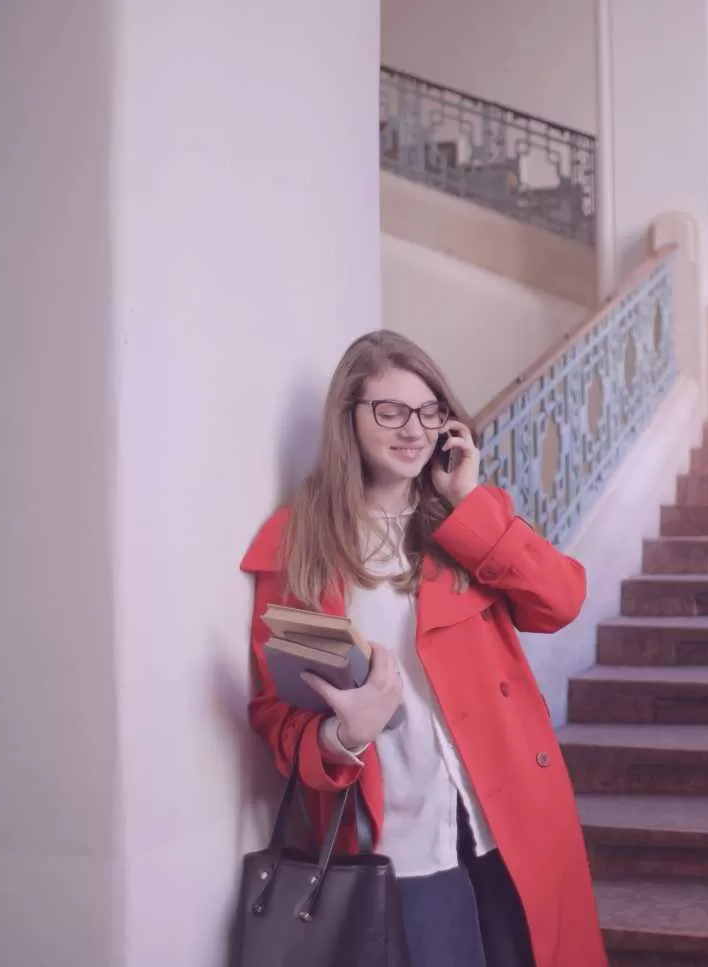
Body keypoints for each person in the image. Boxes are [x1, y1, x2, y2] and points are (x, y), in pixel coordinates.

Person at [240, 330, 608, 967]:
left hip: (506, 819)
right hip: (396, 838)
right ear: (347, 420)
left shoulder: (468, 522)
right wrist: (341, 736)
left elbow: (560, 602)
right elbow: (277, 712)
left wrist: (469, 502)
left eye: (429, 410)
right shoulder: (299, 544)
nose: (413, 429)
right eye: (389, 411)